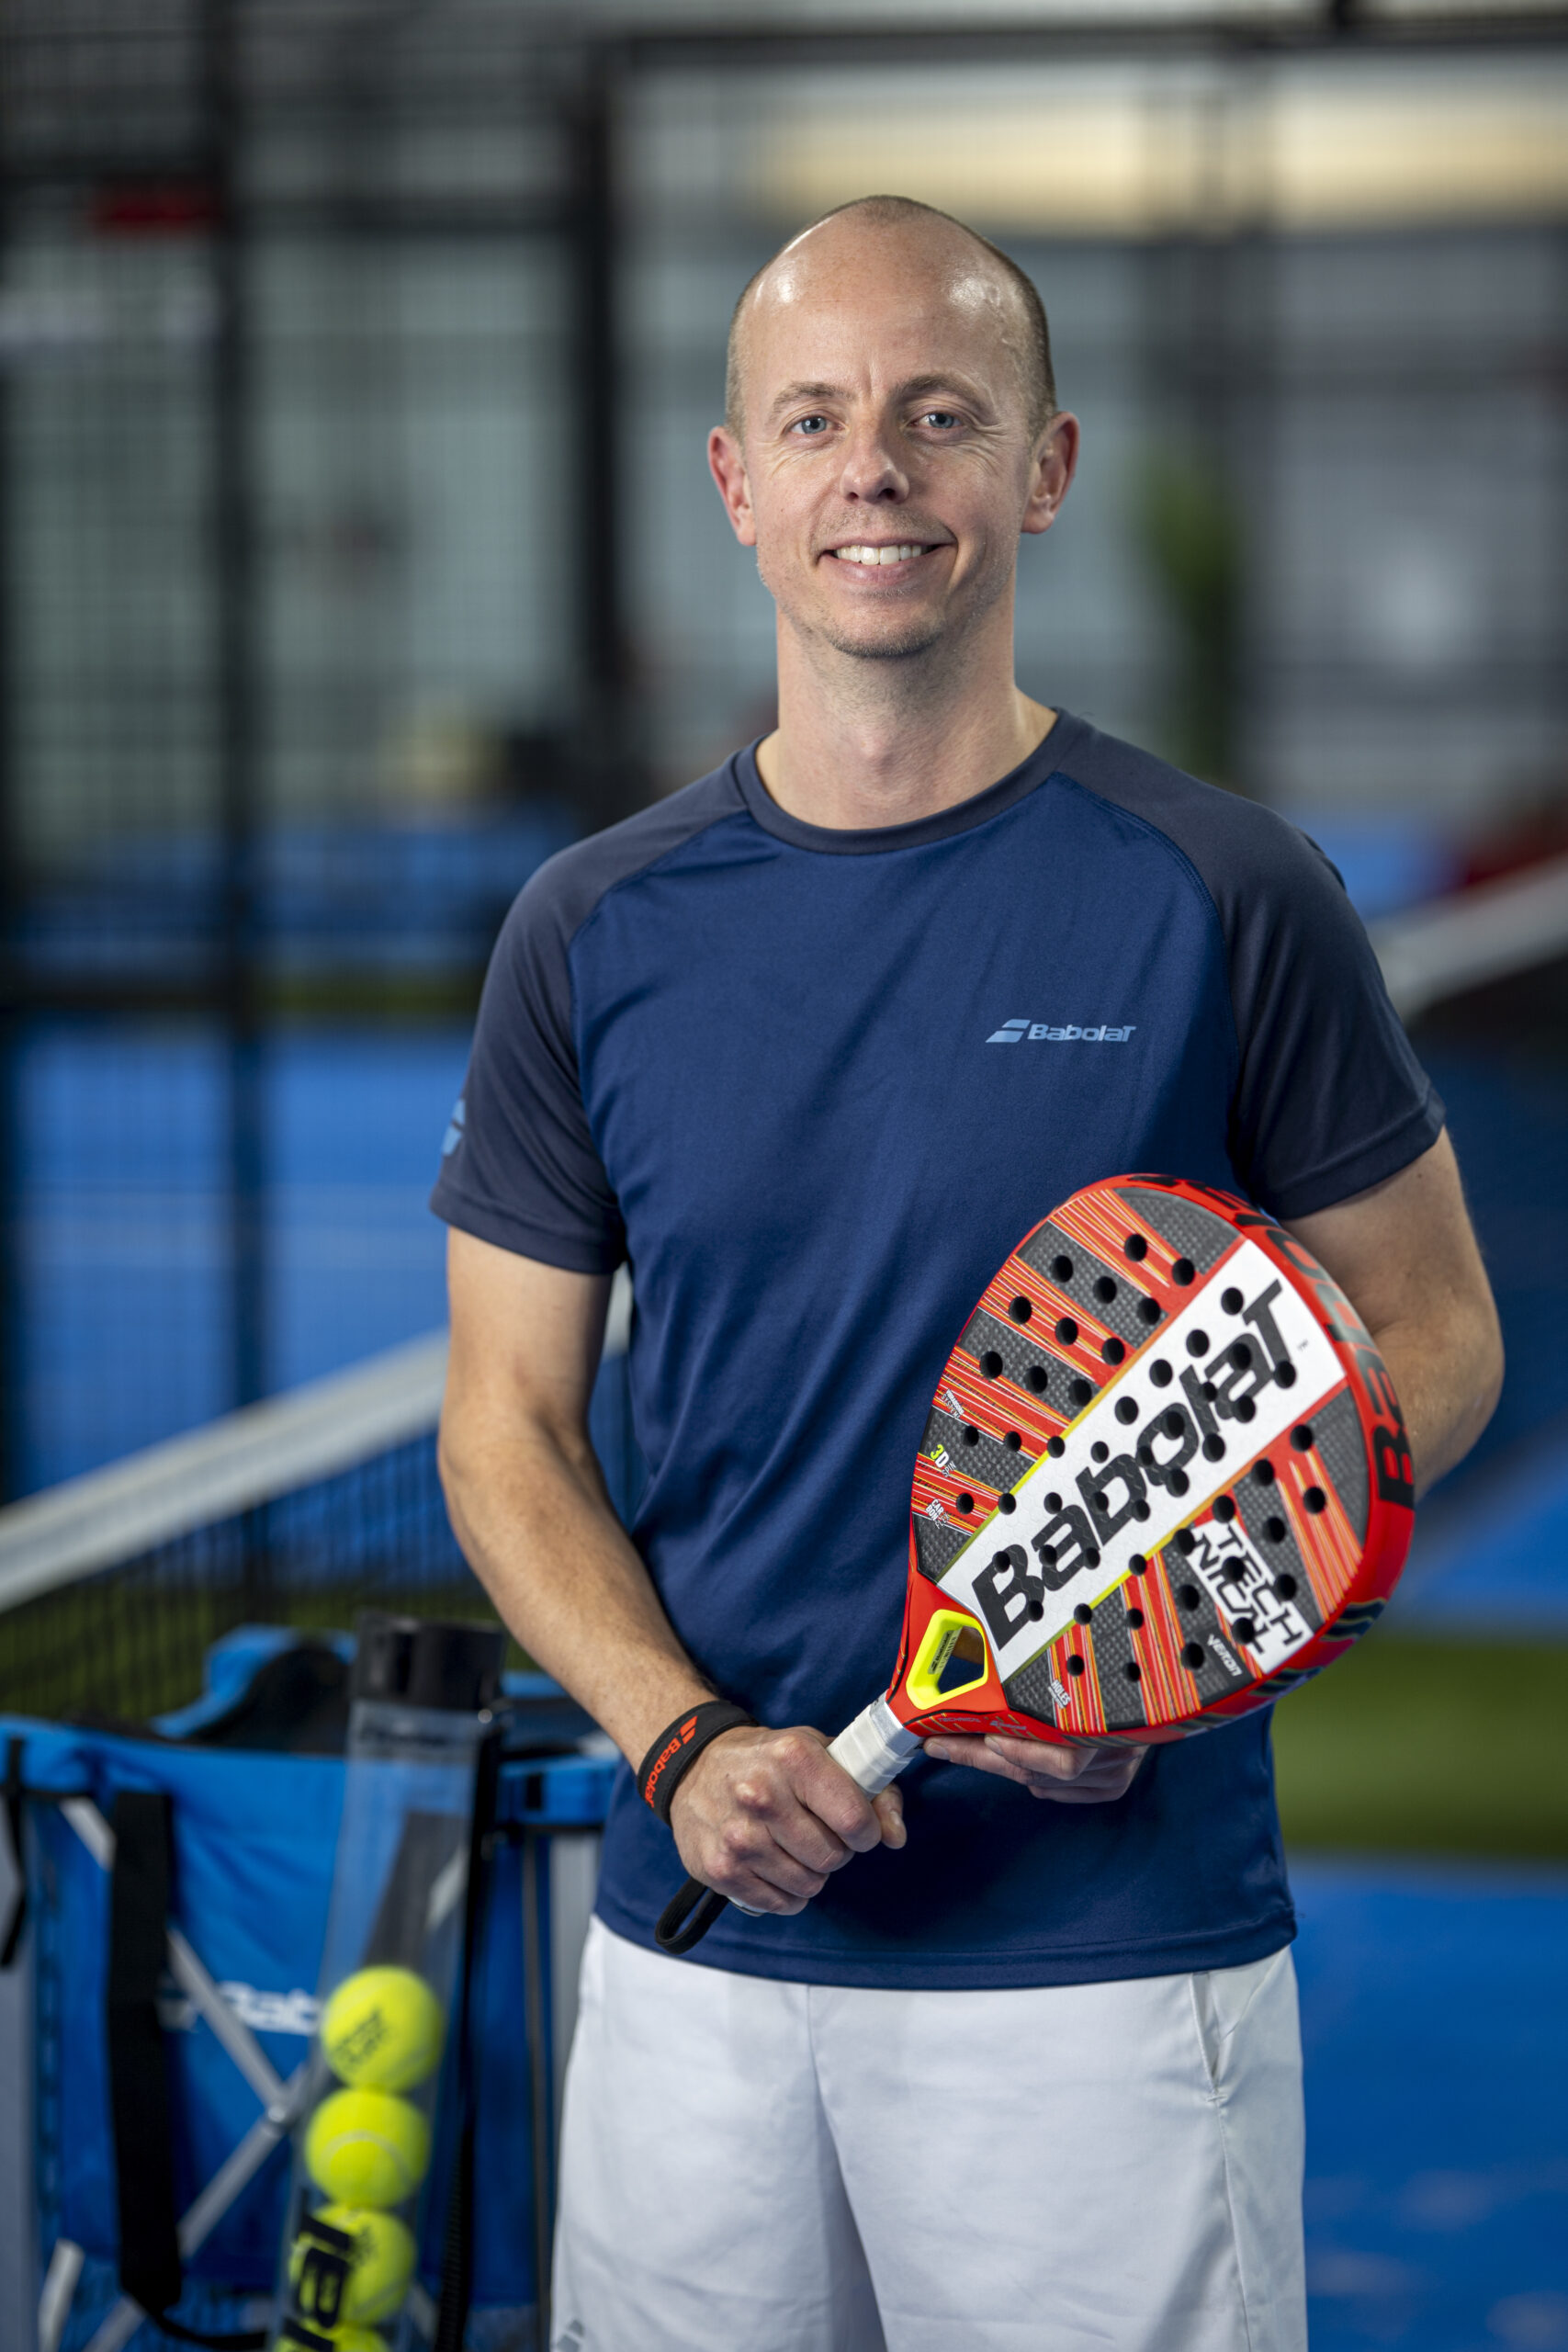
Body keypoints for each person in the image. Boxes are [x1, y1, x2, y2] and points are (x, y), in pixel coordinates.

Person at [432, 196, 1502, 2352]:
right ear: (735, 484)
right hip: (693, 1965)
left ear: (1043, 465)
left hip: (1103, 1978)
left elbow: (1433, 1336)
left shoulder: (1224, 890)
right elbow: (504, 1422)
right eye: (812, 419)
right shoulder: (588, 929)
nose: (874, 472)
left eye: (938, 413)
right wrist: (674, 1744)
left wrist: (1188, 1638)